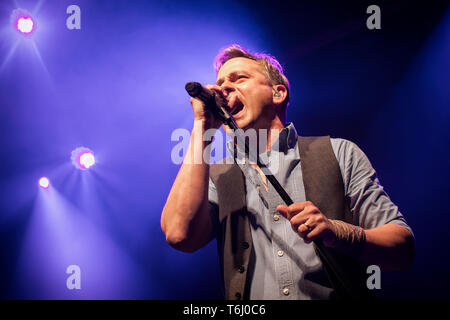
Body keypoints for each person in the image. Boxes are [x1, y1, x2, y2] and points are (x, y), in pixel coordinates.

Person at [161, 44, 415, 300]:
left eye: (239, 78)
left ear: (277, 93)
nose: (223, 88)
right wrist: (202, 126)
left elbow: (402, 249)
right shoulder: (219, 176)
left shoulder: (339, 152)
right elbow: (179, 235)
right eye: (221, 82)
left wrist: (337, 232)